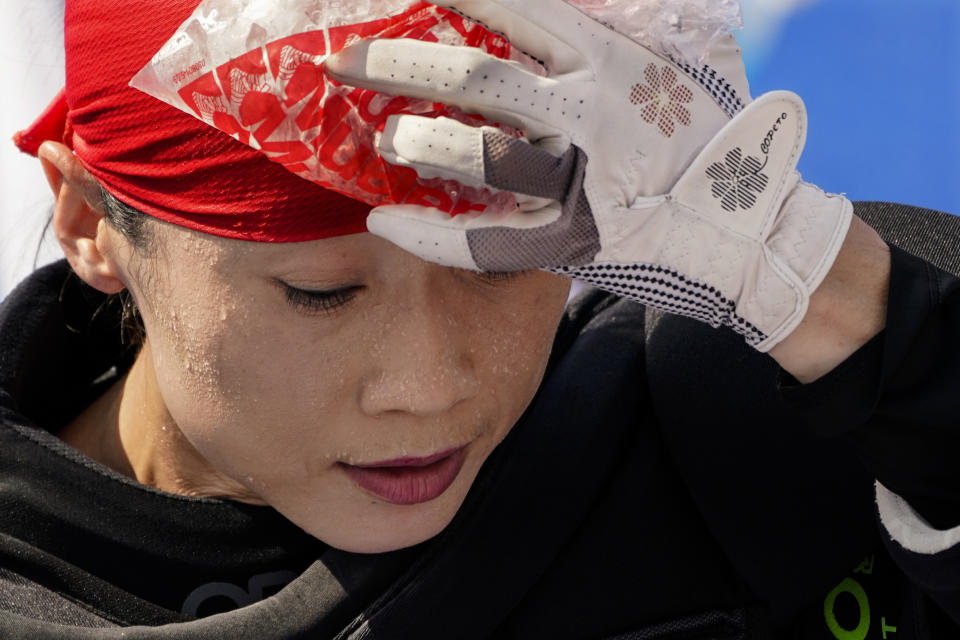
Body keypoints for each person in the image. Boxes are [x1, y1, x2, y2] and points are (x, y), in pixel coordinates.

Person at [1, 0, 958, 638]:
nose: (428, 388)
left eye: (502, 264)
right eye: (322, 293)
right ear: (92, 225)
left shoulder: (741, 418)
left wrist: (836, 296)